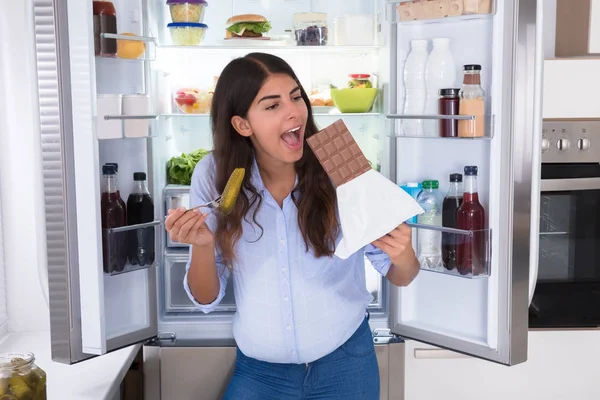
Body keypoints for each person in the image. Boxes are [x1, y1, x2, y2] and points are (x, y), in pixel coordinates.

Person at [164, 52, 420, 400]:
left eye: (296, 97)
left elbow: (400, 273)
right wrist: (203, 245)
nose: (294, 112)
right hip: (259, 374)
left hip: (346, 364)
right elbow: (206, 297)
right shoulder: (214, 174)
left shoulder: (339, 161)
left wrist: (403, 253)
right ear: (242, 124)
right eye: (272, 106)